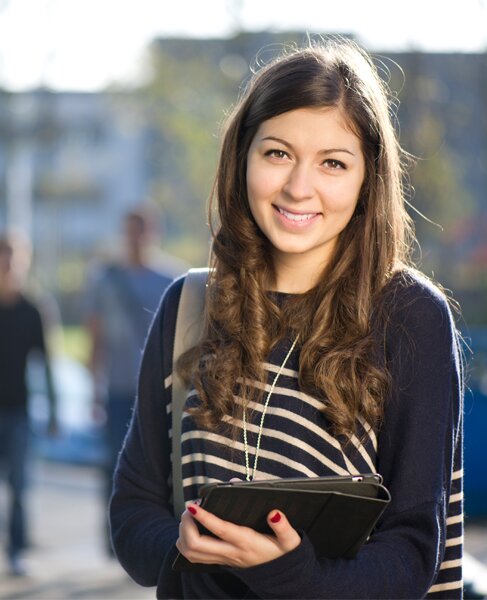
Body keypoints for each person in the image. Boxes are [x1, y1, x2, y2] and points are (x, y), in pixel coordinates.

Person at [110, 39, 464, 599]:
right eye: (277, 154)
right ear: (242, 156)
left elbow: (415, 552)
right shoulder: (189, 306)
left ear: (368, 178)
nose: (300, 187)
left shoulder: (410, 316)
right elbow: (133, 512)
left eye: (333, 163)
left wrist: (294, 575)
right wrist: (187, 547)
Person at [84, 204, 184, 548]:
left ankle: (162, 535)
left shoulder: (171, 278)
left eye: (142, 229)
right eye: (131, 229)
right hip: (117, 388)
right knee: (113, 465)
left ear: (153, 232)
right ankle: (115, 536)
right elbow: (95, 335)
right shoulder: (105, 279)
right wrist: (93, 387)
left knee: (161, 469)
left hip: (160, 392)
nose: (136, 236)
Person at [0, 233, 58, 576]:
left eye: (14, 259)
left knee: (19, 487)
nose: (9, 266)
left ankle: (17, 551)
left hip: (18, 411)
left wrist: (52, 411)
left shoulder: (34, 310)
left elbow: (47, 363)